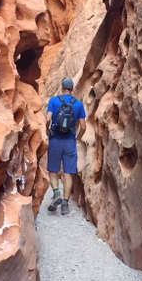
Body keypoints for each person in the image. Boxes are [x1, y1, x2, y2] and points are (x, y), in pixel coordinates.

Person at [46, 77, 86, 215]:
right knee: (68, 172)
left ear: (61, 87)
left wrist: (48, 132)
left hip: (55, 139)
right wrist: (77, 138)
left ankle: (56, 192)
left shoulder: (54, 101)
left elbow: (47, 118)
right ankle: (65, 204)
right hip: (70, 141)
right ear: (72, 89)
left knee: (53, 169)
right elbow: (83, 126)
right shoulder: (78, 104)